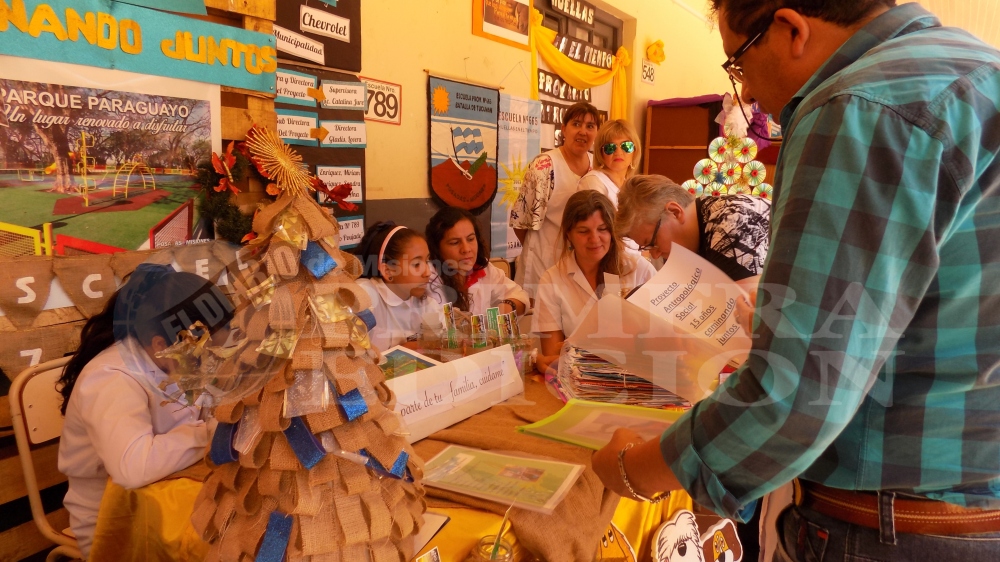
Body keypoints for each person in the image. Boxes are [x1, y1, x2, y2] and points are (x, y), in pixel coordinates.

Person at [591, 2, 1000, 561]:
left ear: (789, 29)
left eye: (736, 65)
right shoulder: (979, 71)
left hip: (896, 526)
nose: (749, 97)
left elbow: (793, 397)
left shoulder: (857, 105)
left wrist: (633, 469)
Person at [57, 264, 233, 559]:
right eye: (207, 355)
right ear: (162, 344)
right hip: (114, 519)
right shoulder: (112, 377)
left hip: (170, 491)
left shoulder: (172, 363)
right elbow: (133, 468)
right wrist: (208, 434)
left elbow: (206, 411)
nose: (213, 365)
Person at [532, 190, 656, 374]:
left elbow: (663, 340)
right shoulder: (552, 280)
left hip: (637, 378)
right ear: (568, 235)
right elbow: (553, 357)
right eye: (583, 231)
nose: (594, 239)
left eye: (603, 229)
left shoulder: (639, 270)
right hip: (579, 383)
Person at [510, 101, 600, 299]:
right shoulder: (544, 166)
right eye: (576, 124)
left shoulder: (599, 167)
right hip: (542, 265)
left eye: (590, 126)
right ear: (563, 129)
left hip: (582, 269)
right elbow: (520, 223)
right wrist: (541, 248)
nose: (583, 132)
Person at [615, 174, 770, 284]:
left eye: (653, 242)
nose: (655, 255)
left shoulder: (731, 224)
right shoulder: (685, 243)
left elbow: (748, 317)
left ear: (675, 212)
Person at [425, 206, 528, 317]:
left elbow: (520, 297)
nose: (466, 249)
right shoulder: (426, 278)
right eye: (455, 242)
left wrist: (508, 305)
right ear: (436, 248)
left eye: (470, 239)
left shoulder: (483, 269)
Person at [354, 221, 437, 351]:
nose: (428, 272)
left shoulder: (425, 302)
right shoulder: (364, 296)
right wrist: (403, 351)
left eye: (427, 261)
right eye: (416, 264)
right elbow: (348, 358)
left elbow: (444, 342)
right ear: (388, 271)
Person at [578, 119, 643, 256]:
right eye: (610, 147)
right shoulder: (593, 182)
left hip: (636, 262)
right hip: (609, 262)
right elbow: (596, 233)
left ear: (635, 151)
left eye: (626, 146)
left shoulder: (633, 185)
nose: (618, 152)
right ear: (601, 153)